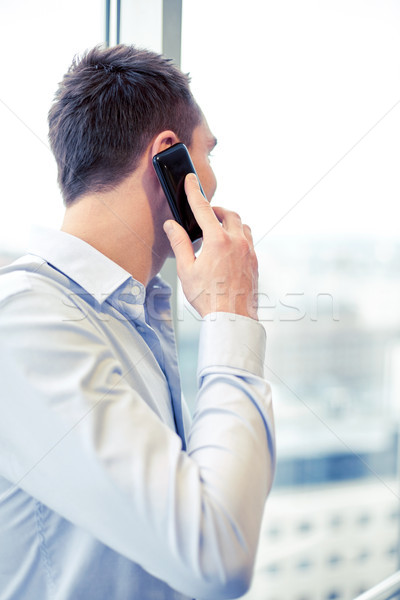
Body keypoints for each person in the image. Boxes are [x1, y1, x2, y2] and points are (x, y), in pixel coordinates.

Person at [0, 44, 275, 600]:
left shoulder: (131, 317)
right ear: (169, 159)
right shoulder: (24, 319)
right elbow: (215, 556)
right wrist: (231, 314)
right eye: (210, 155)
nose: (216, 182)